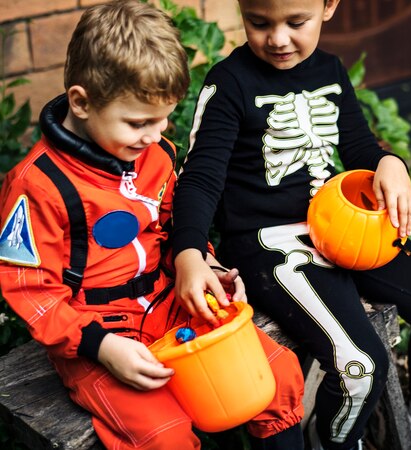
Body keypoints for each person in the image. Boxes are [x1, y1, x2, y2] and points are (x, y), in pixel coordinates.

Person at [0, 1, 305, 449]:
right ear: (82, 102)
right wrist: (102, 348)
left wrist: (203, 265)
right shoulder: (38, 186)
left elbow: (171, 225)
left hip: (168, 301)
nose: (155, 133)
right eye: (138, 122)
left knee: (276, 375)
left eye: (163, 117)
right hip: (94, 331)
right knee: (164, 436)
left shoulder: (152, 153)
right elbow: (31, 290)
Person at [172, 0, 411, 449]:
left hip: (341, 225)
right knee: (360, 365)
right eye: (259, 23)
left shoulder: (330, 71)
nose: (277, 38)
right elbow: (201, 176)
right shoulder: (230, 83)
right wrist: (189, 253)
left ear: (329, 6)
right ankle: (334, 441)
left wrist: (389, 161)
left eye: (296, 22)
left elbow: (357, 146)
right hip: (268, 244)